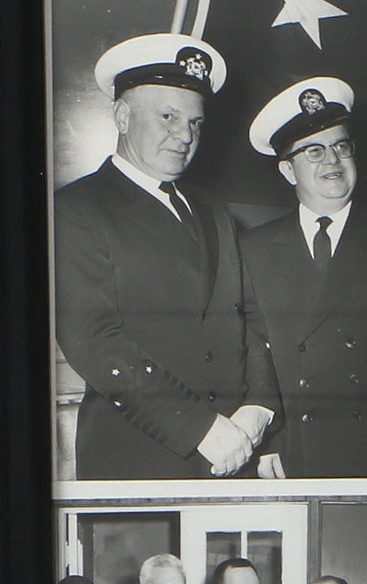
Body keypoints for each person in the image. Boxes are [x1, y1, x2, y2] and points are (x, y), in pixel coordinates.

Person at [55, 35, 266, 480]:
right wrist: (201, 429)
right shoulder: (77, 208)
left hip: (235, 451)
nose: (185, 134)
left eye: (195, 121)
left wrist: (260, 405)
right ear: (122, 116)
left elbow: (251, 314)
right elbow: (92, 338)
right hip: (140, 456)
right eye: (168, 117)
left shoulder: (212, 210)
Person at [233, 77, 367, 476]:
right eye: (314, 151)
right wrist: (269, 442)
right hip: (295, 449)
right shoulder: (254, 248)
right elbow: (257, 353)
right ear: (288, 170)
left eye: (341, 147)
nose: (332, 160)